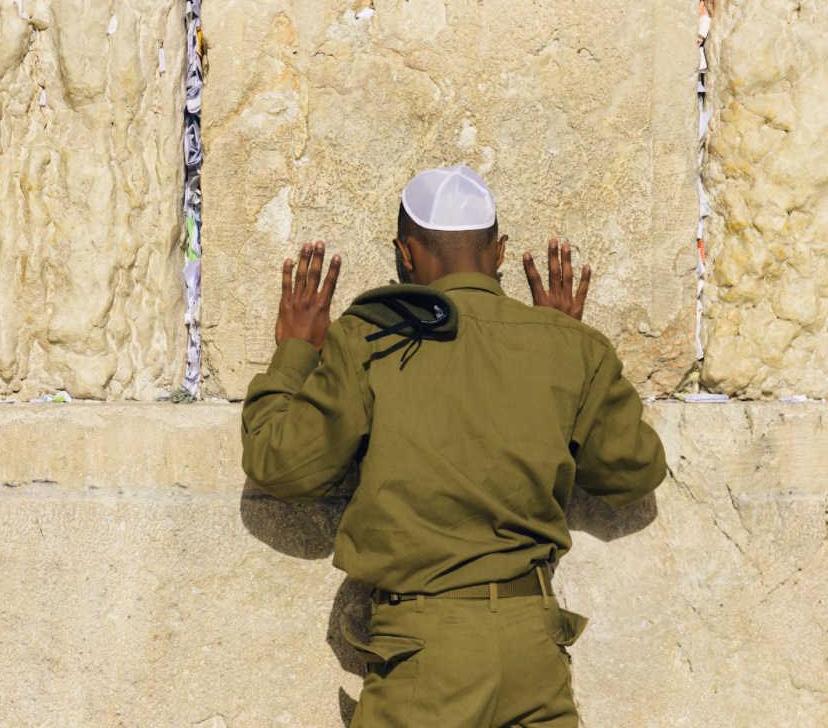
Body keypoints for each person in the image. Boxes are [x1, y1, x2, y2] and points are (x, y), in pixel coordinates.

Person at [240, 166, 667, 728]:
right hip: (533, 648)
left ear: (406, 255)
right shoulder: (568, 346)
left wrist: (296, 351)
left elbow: (282, 466)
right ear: (500, 252)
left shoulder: (368, 338)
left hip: (424, 655)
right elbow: (635, 471)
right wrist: (567, 349)